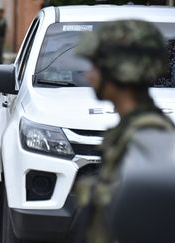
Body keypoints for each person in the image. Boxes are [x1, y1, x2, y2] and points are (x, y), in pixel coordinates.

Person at [75, 20, 175, 243]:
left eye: (96, 66)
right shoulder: (132, 131)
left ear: (121, 69)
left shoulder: (150, 139)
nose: (89, 75)